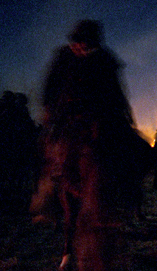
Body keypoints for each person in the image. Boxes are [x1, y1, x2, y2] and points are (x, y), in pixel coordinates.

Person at [31, 19, 137, 224]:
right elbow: (50, 84)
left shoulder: (105, 58)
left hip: (101, 111)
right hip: (67, 112)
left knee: (128, 145)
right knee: (46, 147)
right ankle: (46, 198)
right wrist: (48, 109)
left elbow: (116, 88)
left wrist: (124, 110)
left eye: (88, 41)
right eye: (80, 40)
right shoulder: (63, 56)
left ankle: (128, 192)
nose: (83, 45)